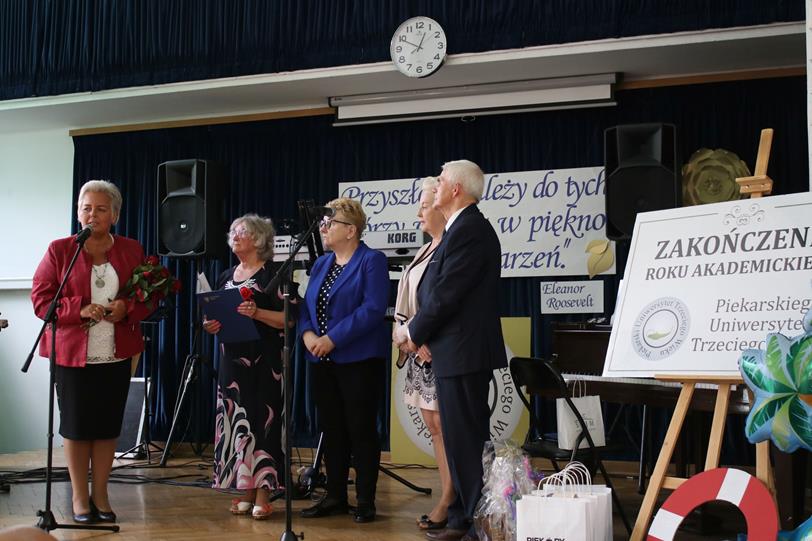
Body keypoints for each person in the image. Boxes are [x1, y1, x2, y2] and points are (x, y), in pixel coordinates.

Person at [396, 160, 507, 541]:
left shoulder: (471, 230)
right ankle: (462, 517)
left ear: (456, 189)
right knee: (460, 441)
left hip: (463, 351)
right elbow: (438, 289)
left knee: (467, 440)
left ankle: (477, 526)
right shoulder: (462, 228)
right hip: (454, 351)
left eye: (441, 181)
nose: (436, 186)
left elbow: (447, 294)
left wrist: (412, 330)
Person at [31, 180, 152, 524]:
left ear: (114, 214)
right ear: (77, 211)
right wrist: (79, 309)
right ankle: (80, 500)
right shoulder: (60, 250)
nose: (91, 214)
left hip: (116, 352)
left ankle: (101, 495)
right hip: (71, 354)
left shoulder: (131, 249)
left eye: (100, 209)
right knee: (76, 426)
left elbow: (149, 296)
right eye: (86, 208)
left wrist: (126, 307)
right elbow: (41, 299)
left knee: (106, 426)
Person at [298, 197, 389, 524]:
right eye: (322, 223)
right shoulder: (322, 264)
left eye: (328, 223)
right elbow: (306, 307)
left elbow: (373, 309)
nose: (322, 228)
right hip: (321, 360)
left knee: (361, 429)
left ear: (351, 230)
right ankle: (334, 495)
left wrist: (332, 338)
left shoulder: (372, 261)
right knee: (332, 429)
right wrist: (308, 336)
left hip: (359, 359)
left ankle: (365, 500)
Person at [202, 214, 289, 520]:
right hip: (231, 361)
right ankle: (245, 490)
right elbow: (215, 313)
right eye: (233, 231)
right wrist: (210, 324)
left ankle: (264, 494)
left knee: (261, 422)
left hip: (264, 361)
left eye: (242, 232)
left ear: (260, 239)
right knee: (236, 423)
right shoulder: (226, 274)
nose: (235, 235)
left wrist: (257, 312)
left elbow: (289, 320)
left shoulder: (274, 274)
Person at [393, 177, 455, 531]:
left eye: (425, 205)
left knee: (447, 427)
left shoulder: (449, 245)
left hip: (436, 350)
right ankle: (447, 494)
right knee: (434, 427)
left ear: (442, 208)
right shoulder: (426, 247)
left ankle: (451, 498)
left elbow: (444, 302)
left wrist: (422, 336)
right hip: (418, 350)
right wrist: (406, 335)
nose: (418, 211)